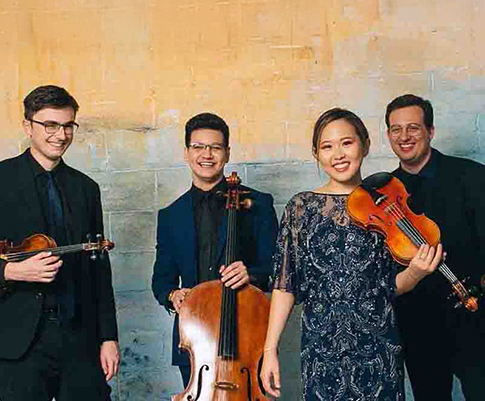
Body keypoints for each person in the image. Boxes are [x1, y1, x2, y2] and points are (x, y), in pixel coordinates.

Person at [261, 108, 441, 400]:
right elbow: (285, 286)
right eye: (327, 146)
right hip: (321, 353)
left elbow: (391, 286)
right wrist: (270, 350)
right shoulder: (301, 207)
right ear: (316, 153)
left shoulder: (389, 206)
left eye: (347, 143)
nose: (338, 155)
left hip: (378, 350)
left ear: (365, 145)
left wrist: (416, 273)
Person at [0, 85, 120, 401]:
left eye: (68, 125)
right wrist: (11, 272)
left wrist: (108, 337)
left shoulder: (86, 188)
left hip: (79, 337)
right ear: (27, 126)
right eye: (50, 125)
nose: (60, 135)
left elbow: (98, 269)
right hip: (17, 341)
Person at [152, 112, 278, 388]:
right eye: (198, 146)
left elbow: (278, 267)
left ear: (227, 152)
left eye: (215, 147)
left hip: (246, 334)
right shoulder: (170, 215)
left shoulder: (258, 204)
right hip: (193, 338)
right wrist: (173, 295)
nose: (206, 154)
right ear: (187, 152)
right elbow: (161, 280)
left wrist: (251, 273)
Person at [385, 94, 485, 401]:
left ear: (430, 131)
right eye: (396, 129)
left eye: (413, 127)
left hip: (475, 316)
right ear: (388, 135)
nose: (404, 136)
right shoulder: (384, 195)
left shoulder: (472, 175)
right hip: (418, 325)